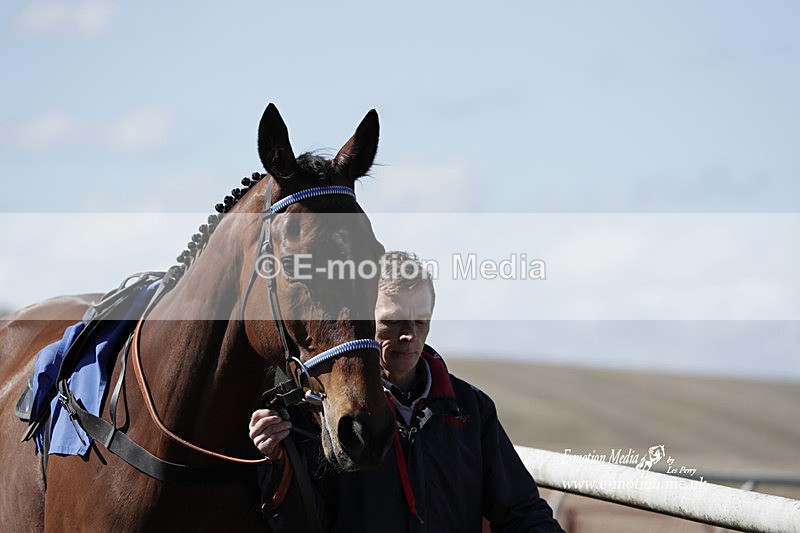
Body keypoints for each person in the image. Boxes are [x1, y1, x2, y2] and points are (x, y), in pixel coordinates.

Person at [249, 251, 564, 532]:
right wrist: (276, 461)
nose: (409, 335)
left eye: (420, 321)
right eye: (393, 321)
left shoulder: (470, 409)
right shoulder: (323, 413)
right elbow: (300, 523)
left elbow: (520, 511)